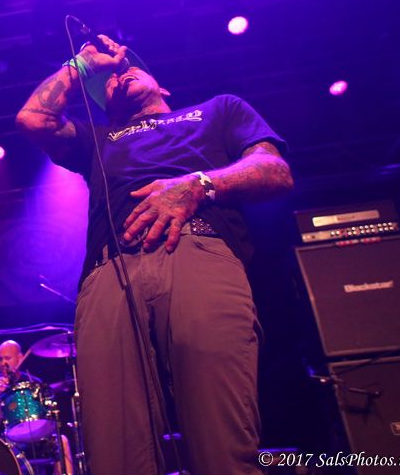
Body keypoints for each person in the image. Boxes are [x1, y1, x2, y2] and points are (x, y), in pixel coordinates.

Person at [15, 35, 293, 475]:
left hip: (198, 250)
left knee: (222, 441)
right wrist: (83, 64)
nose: (119, 75)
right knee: (116, 453)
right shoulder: (98, 138)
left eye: (131, 69)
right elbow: (33, 119)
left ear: (162, 86)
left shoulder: (217, 110)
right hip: (110, 273)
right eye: (107, 81)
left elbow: (274, 169)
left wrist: (198, 185)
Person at [0, 340, 72, 475]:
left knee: (62, 441)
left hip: (37, 436)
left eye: (8, 358)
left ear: (20, 358)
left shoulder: (33, 382)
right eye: (0, 359)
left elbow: (45, 415)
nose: (3, 363)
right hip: (7, 440)